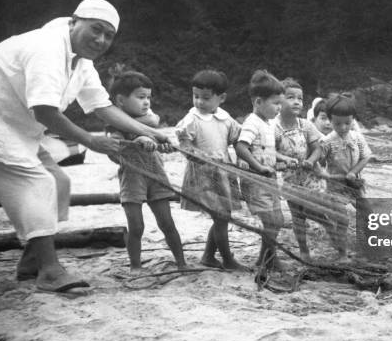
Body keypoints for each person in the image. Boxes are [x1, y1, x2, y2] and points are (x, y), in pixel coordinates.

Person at [0, 0, 170, 292]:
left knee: (59, 181)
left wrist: (150, 132)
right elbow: (46, 111)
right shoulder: (47, 47)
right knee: (38, 183)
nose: (101, 40)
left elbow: (101, 106)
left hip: (21, 129)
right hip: (1, 125)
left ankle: (32, 260)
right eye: (96, 30)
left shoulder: (81, 61)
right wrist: (91, 140)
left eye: (109, 35)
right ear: (74, 22)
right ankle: (50, 271)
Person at [106, 66, 187, 274]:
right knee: (137, 226)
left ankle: (181, 263)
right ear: (121, 100)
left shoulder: (149, 121)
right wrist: (136, 140)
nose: (146, 102)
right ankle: (135, 265)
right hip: (132, 179)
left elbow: (156, 137)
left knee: (167, 223)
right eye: (140, 97)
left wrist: (163, 146)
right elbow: (112, 152)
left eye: (148, 97)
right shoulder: (115, 126)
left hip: (156, 175)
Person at [175, 69, 247, 271]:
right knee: (221, 217)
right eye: (195, 96)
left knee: (222, 217)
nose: (199, 102)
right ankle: (227, 259)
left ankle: (208, 256)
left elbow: (238, 140)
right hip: (204, 175)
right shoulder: (192, 120)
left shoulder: (225, 119)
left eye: (205, 98)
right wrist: (203, 157)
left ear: (221, 98)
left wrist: (243, 159)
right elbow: (185, 147)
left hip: (223, 173)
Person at [235, 70, 287, 271]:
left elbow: (267, 149)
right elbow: (241, 147)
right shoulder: (252, 123)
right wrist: (259, 167)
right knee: (272, 220)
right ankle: (269, 259)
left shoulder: (268, 123)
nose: (279, 108)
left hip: (270, 180)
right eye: (276, 103)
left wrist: (283, 159)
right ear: (258, 102)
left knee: (278, 220)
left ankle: (265, 258)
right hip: (256, 181)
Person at [274, 78, 323, 261]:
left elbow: (317, 147)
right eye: (290, 97)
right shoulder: (274, 127)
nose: (296, 102)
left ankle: (336, 243)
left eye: (300, 98)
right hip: (289, 180)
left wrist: (311, 160)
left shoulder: (305, 125)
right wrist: (285, 160)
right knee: (297, 216)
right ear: (279, 101)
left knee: (317, 212)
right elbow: (270, 151)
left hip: (310, 179)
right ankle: (304, 251)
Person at [319, 94, 372, 261]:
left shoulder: (357, 137)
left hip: (355, 186)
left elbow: (365, 157)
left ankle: (368, 248)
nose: (343, 127)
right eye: (337, 124)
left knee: (369, 215)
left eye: (347, 123)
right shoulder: (326, 142)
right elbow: (318, 163)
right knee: (342, 220)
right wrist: (323, 173)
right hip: (335, 188)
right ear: (329, 120)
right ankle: (342, 254)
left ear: (353, 119)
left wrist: (353, 172)